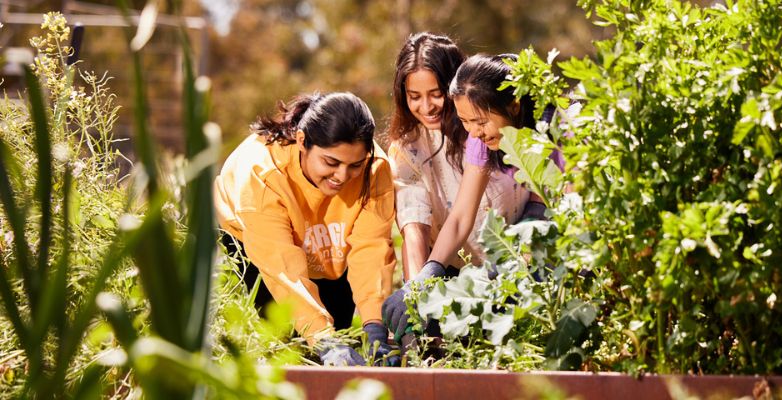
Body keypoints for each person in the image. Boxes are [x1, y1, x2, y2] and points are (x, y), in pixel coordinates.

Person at [215, 92, 398, 366]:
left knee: (340, 341)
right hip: (257, 247)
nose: (342, 177)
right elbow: (282, 270)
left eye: (354, 166)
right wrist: (323, 338)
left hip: (329, 245)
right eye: (331, 163)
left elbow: (371, 249)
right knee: (289, 344)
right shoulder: (261, 173)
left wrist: (374, 325)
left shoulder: (374, 169)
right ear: (302, 142)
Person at [383, 54, 557, 340]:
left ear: (513, 106)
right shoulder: (480, 139)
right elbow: (461, 216)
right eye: (464, 121)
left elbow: (565, 207)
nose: (473, 132)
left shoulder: (555, 127)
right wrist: (427, 276)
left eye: (480, 121)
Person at [385, 34, 533, 280]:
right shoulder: (411, 149)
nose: (426, 106)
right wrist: (418, 285)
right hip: (457, 269)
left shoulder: (496, 127)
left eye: (436, 93)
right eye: (415, 96)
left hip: (521, 257)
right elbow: (418, 228)